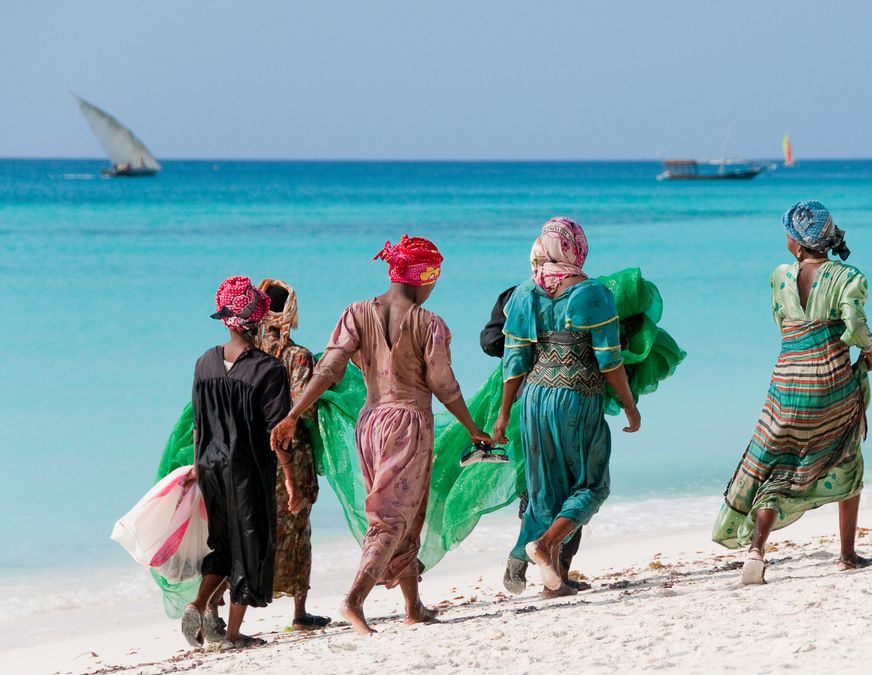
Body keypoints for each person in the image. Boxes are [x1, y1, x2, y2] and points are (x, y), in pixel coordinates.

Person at [270, 235, 491, 635]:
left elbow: (329, 370)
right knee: (392, 519)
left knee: (405, 513)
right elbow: (444, 385)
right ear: (424, 276)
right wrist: (473, 428)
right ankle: (354, 600)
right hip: (408, 422)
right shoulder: (429, 324)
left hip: (370, 424)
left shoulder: (355, 313)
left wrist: (292, 414)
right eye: (433, 279)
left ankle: (414, 606)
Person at [712, 201, 872, 585]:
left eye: (788, 232)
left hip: (787, 382)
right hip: (831, 380)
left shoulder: (779, 277)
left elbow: (781, 323)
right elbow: (854, 324)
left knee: (778, 465)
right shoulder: (849, 276)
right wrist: (869, 350)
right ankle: (847, 555)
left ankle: (756, 549)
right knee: (846, 455)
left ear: (800, 242)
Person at [492, 217, 641, 597]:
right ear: (576, 247)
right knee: (591, 485)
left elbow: (514, 361)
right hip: (577, 398)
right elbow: (610, 361)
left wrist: (504, 414)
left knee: (545, 490)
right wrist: (629, 405)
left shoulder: (524, 294)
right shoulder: (593, 294)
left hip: (534, 399)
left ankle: (552, 578)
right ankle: (539, 548)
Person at [181, 276, 300, 650]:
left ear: (226, 319)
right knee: (252, 545)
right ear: (258, 321)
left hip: (210, 467)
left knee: (221, 543)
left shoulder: (205, 363)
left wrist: (198, 468)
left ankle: (199, 604)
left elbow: (198, 424)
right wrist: (291, 480)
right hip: (247, 470)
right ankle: (231, 634)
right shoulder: (268, 369)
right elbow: (277, 435)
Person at [479, 286, 588, 594]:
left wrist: (521, 345)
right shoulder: (582, 293)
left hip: (528, 401)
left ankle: (535, 565)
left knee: (537, 488)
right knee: (575, 486)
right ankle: (553, 572)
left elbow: (489, 342)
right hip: (572, 401)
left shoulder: (515, 296)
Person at [256, 278, 331, 631]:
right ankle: (299, 612)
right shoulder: (298, 356)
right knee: (297, 527)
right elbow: (304, 408)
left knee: (250, 526)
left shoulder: (244, 353)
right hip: (291, 452)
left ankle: (223, 606)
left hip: (251, 452)